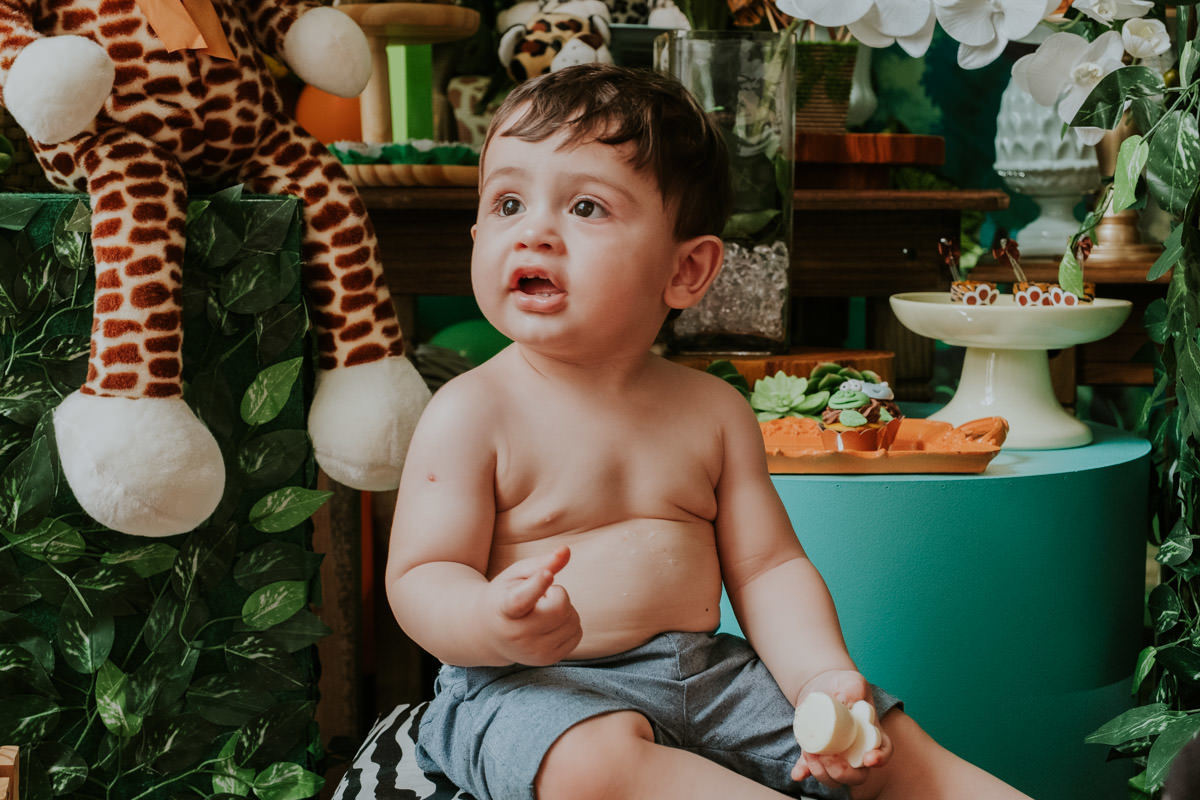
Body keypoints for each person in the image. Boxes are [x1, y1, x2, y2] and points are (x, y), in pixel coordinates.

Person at [383, 63, 1033, 800]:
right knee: (589, 765)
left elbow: (768, 570)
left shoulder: (712, 412)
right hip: (528, 687)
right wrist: (487, 620)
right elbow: (421, 576)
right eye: (507, 201)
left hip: (707, 674)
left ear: (687, 270)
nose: (534, 231)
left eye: (587, 208)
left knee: (880, 743)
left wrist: (822, 677)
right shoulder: (472, 412)